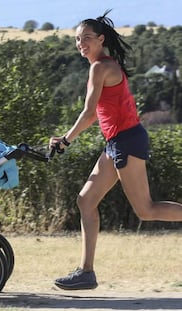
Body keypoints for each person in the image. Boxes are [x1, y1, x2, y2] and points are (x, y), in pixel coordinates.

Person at [50, 10, 182, 290]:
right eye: (77, 39)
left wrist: (65, 139)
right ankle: (86, 272)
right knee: (86, 201)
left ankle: (86, 271)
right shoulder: (100, 65)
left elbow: (88, 114)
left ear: (100, 39)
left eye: (86, 37)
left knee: (146, 210)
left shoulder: (101, 67)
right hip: (116, 143)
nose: (81, 43)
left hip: (127, 141)